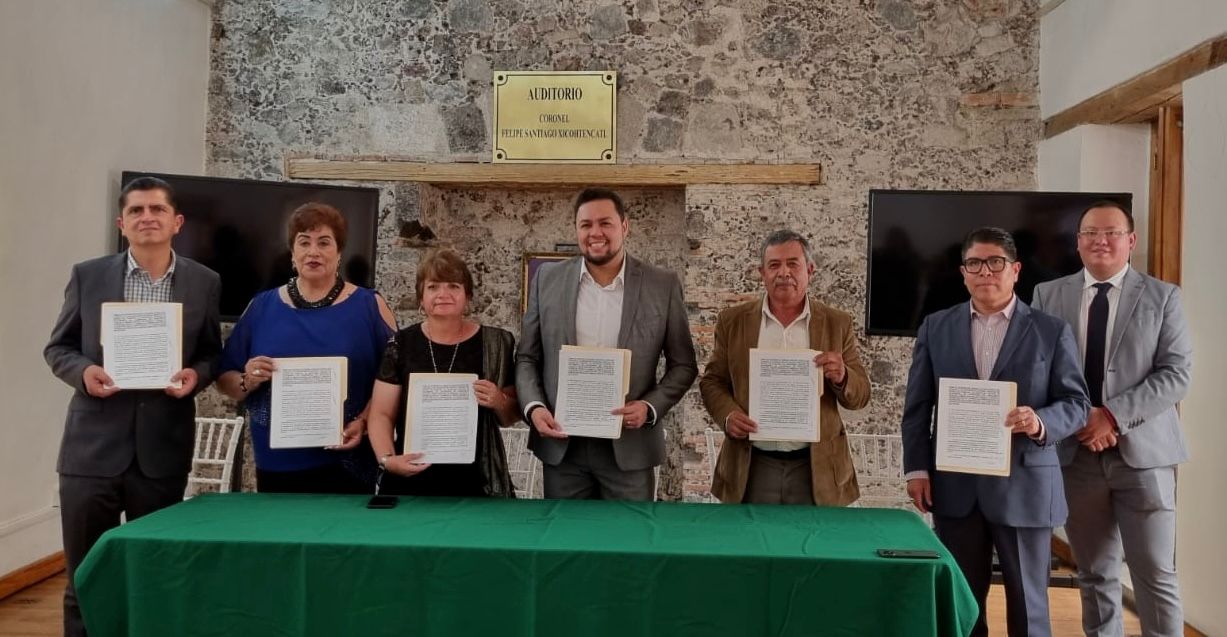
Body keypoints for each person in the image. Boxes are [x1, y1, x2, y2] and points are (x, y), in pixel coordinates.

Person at [45, 176, 223, 637]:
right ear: (121, 223)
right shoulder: (88, 276)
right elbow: (59, 348)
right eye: (137, 211)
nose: (147, 218)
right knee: (85, 578)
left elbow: (210, 354)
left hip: (162, 452)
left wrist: (196, 376)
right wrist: (84, 372)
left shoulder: (204, 282)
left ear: (176, 222)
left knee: (154, 574)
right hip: (90, 452)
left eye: (157, 209)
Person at [901, 226, 1090, 637]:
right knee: (962, 607)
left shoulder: (1051, 330)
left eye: (995, 262)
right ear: (963, 272)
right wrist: (916, 469)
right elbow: (917, 407)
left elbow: (1076, 404)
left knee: (1029, 608)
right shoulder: (936, 327)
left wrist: (1039, 422)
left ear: (1016, 270)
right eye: (974, 263)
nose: (985, 271)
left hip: (1025, 486)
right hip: (956, 488)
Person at [1032, 201, 1192, 637]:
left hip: (1145, 458)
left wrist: (1112, 417)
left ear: (1131, 240)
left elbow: (1176, 374)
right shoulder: (1048, 295)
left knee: (1155, 575)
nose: (1100, 240)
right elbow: (1038, 368)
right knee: (1094, 573)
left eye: (1112, 232)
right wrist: (1079, 418)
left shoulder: (1163, 296)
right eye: (1090, 232)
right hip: (1076, 456)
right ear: (1078, 242)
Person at [516, 188, 698, 500]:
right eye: (586, 225)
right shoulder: (547, 279)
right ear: (576, 229)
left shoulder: (662, 284)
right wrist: (534, 407)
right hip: (564, 446)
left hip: (629, 448)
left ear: (624, 226)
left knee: (628, 533)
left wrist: (649, 407)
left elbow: (683, 365)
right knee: (565, 532)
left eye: (605, 223)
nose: (595, 233)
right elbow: (526, 358)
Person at [217, 202, 396, 493]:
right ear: (292, 252)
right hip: (278, 463)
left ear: (339, 252)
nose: (313, 252)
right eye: (304, 242)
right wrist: (247, 380)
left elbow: (395, 378)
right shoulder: (261, 307)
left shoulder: (370, 306)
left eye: (324, 242)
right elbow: (226, 379)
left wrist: (365, 421)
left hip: (349, 458)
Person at [700, 230, 870, 505]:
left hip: (817, 469)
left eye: (793, 263)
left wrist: (842, 376)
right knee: (751, 534)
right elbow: (712, 381)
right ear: (762, 273)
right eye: (774, 265)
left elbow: (861, 396)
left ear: (810, 270)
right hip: (752, 465)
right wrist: (728, 416)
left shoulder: (837, 323)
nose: (783, 273)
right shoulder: (733, 321)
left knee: (813, 535)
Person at [367, 249, 520, 496]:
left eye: (453, 286)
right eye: (433, 287)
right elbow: (381, 414)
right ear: (421, 297)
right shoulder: (401, 344)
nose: (443, 294)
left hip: (476, 483)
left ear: (467, 296)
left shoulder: (496, 343)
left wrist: (499, 400)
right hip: (410, 479)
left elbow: (511, 415)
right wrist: (388, 459)